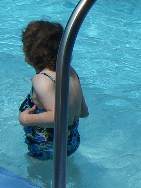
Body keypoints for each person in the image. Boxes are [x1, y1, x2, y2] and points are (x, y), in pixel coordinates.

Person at [19, 20, 89, 160]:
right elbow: (83, 112)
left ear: (32, 52)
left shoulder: (42, 79)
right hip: (71, 142)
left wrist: (26, 119)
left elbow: (60, 117)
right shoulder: (69, 72)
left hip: (47, 147)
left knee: (33, 174)